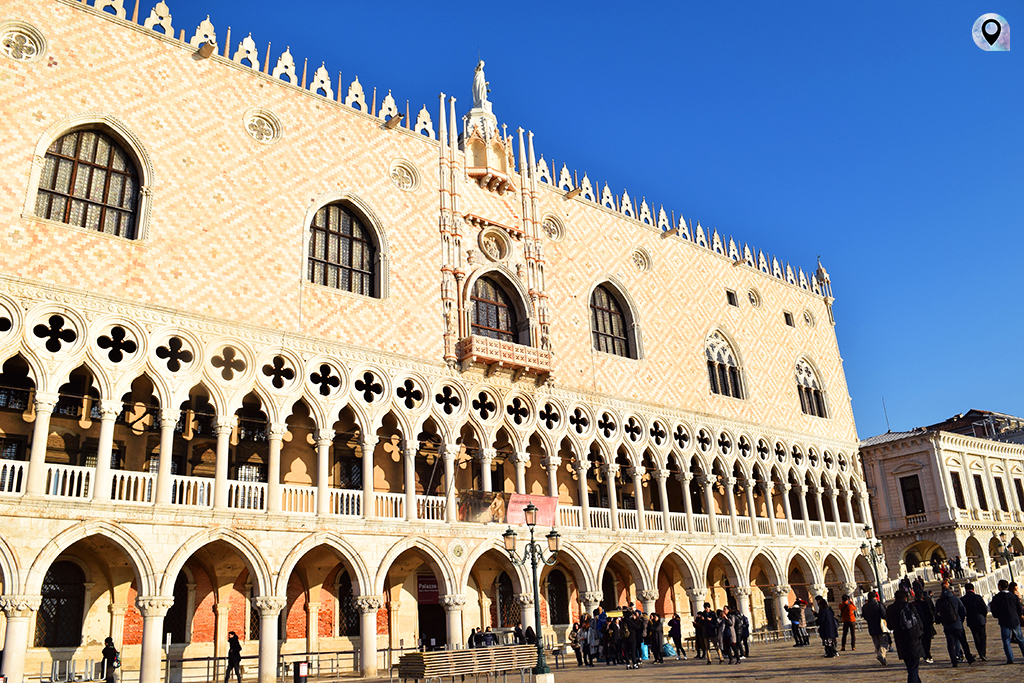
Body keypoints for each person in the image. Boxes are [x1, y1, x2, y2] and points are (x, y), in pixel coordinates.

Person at [886, 589, 924, 683]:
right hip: (913, 639)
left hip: (900, 640)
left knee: (910, 667)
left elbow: (890, 626)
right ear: (906, 598)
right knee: (913, 668)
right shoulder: (910, 607)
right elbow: (919, 623)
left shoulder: (890, 609)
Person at [934, 580, 975, 666]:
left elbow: (936, 613)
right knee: (963, 642)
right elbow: (963, 611)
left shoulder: (939, 601)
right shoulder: (955, 599)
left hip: (947, 626)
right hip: (958, 624)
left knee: (950, 644)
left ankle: (954, 661)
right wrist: (960, 620)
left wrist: (942, 621)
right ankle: (969, 658)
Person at [989, 579, 1024, 663]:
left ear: (999, 587)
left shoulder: (996, 598)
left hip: (1003, 620)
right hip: (1014, 619)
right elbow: (1019, 608)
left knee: (1006, 640)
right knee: (1020, 639)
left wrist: (997, 616)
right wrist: (1019, 615)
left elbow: (994, 610)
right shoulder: (1013, 596)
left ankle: (1010, 658)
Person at [960, 582, 988, 661]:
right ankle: (983, 653)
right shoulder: (978, 597)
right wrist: (983, 617)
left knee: (976, 637)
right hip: (980, 619)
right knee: (982, 636)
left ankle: (980, 652)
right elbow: (984, 609)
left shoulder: (963, 599)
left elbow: (962, 611)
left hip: (971, 620)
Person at [861, 590, 887, 666]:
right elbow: (884, 615)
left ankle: (882, 657)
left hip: (871, 626)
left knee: (876, 643)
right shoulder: (878, 604)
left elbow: (865, 616)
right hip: (880, 626)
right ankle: (881, 655)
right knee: (884, 642)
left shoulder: (865, 607)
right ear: (875, 597)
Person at [911, 590, 935, 663]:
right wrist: (931, 622)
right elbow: (930, 613)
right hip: (926, 624)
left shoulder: (912, 605)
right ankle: (927, 654)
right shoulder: (925, 603)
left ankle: (925, 654)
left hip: (916, 626)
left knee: (920, 641)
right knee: (927, 640)